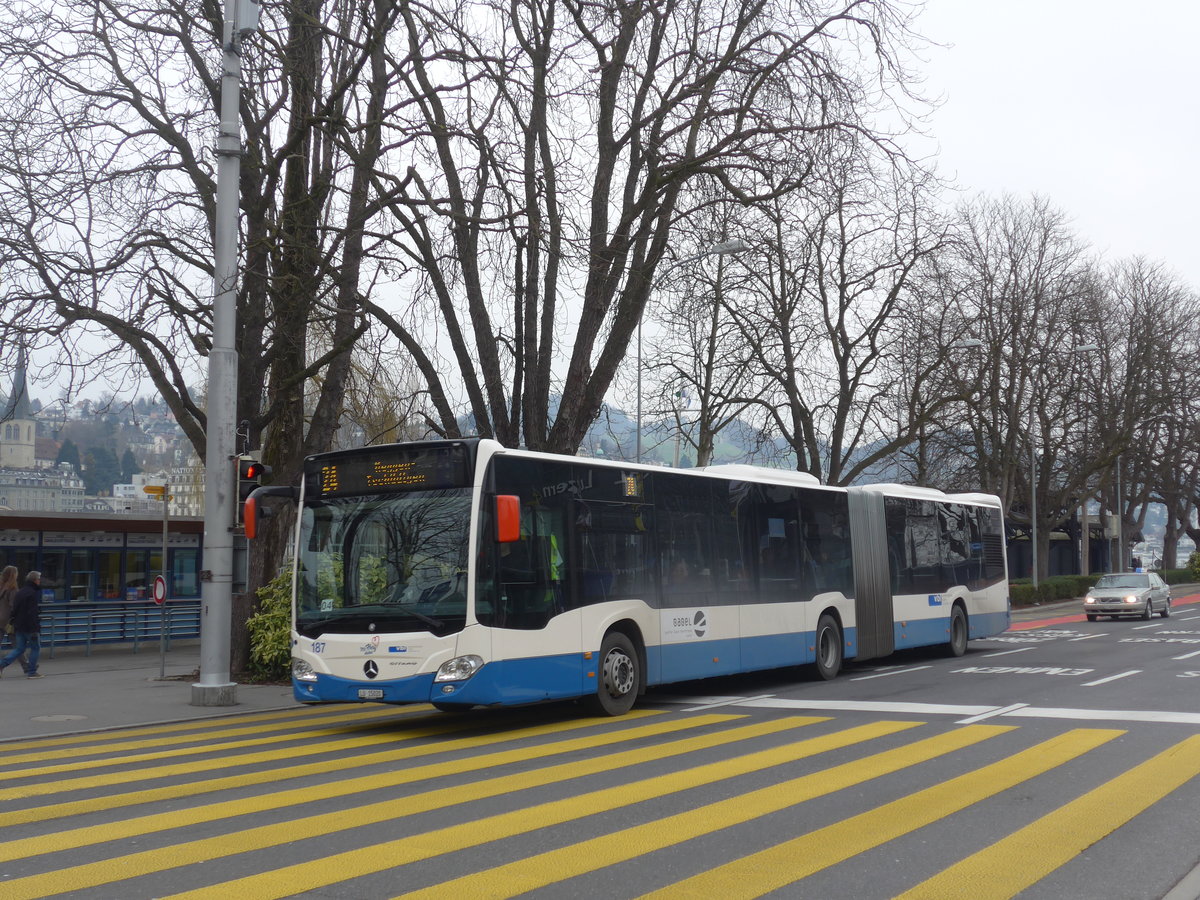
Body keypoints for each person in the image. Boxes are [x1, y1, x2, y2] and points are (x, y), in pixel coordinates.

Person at [1, 570, 42, 678]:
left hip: (18, 626)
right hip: (30, 626)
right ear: (35, 580)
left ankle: (1, 665)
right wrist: (35, 628)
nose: (39, 581)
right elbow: (32, 613)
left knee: (19, 649)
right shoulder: (32, 594)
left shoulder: (21, 592)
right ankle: (32, 672)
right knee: (35, 648)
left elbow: (14, 609)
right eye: (39, 579)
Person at [0, 565, 28, 672]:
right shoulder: (13, 590)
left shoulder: (1, 587)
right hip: (9, 622)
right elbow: (14, 607)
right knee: (18, 646)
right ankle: (26, 667)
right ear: (13, 575)